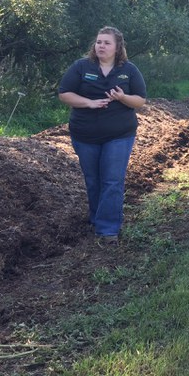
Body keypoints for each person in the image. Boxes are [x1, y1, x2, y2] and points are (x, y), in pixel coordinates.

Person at [58, 26, 147, 245]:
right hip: (84, 133)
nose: (101, 46)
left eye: (107, 43)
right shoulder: (81, 66)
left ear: (117, 48)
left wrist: (122, 97)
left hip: (119, 134)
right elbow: (64, 94)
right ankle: (97, 217)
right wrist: (89, 103)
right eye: (99, 42)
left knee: (112, 180)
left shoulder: (129, 70)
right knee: (93, 180)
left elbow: (140, 100)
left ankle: (108, 230)